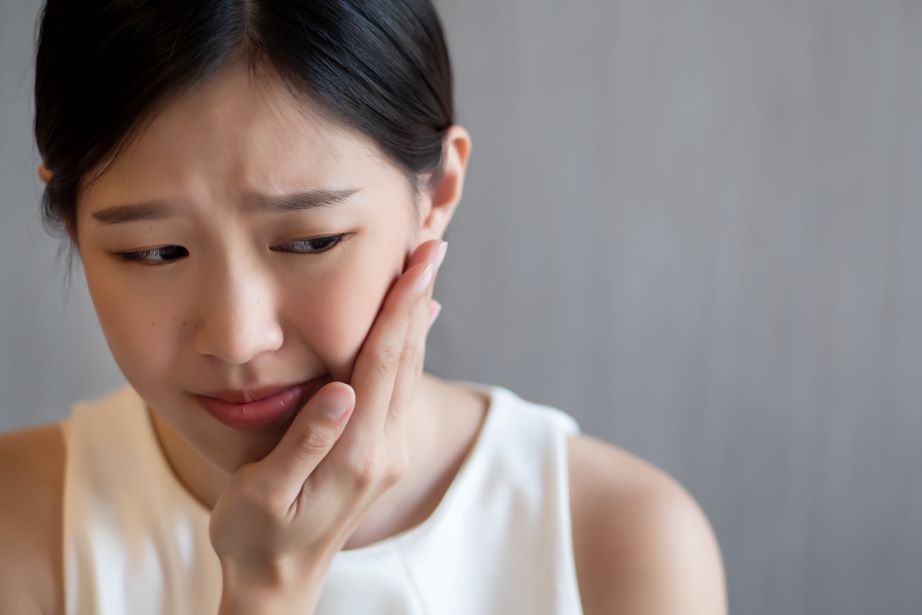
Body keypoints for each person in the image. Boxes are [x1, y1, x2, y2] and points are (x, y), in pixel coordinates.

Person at [0, 1, 727, 613]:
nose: (237, 337)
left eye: (311, 240)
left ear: (438, 190)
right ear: (70, 218)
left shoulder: (619, 541)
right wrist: (265, 594)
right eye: (155, 251)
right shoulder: (21, 524)